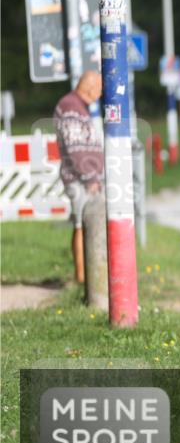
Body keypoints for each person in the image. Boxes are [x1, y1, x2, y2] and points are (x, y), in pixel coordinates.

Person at [54, 70, 103, 283]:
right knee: (81, 225)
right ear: (91, 88)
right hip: (79, 179)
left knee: (84, 223)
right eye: (100, 89)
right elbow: (75, 147)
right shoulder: (71, 107)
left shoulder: (78, 106)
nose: (101, 94)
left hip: (84, 177)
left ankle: (88, 276)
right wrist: (90, 177)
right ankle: (82, 278)